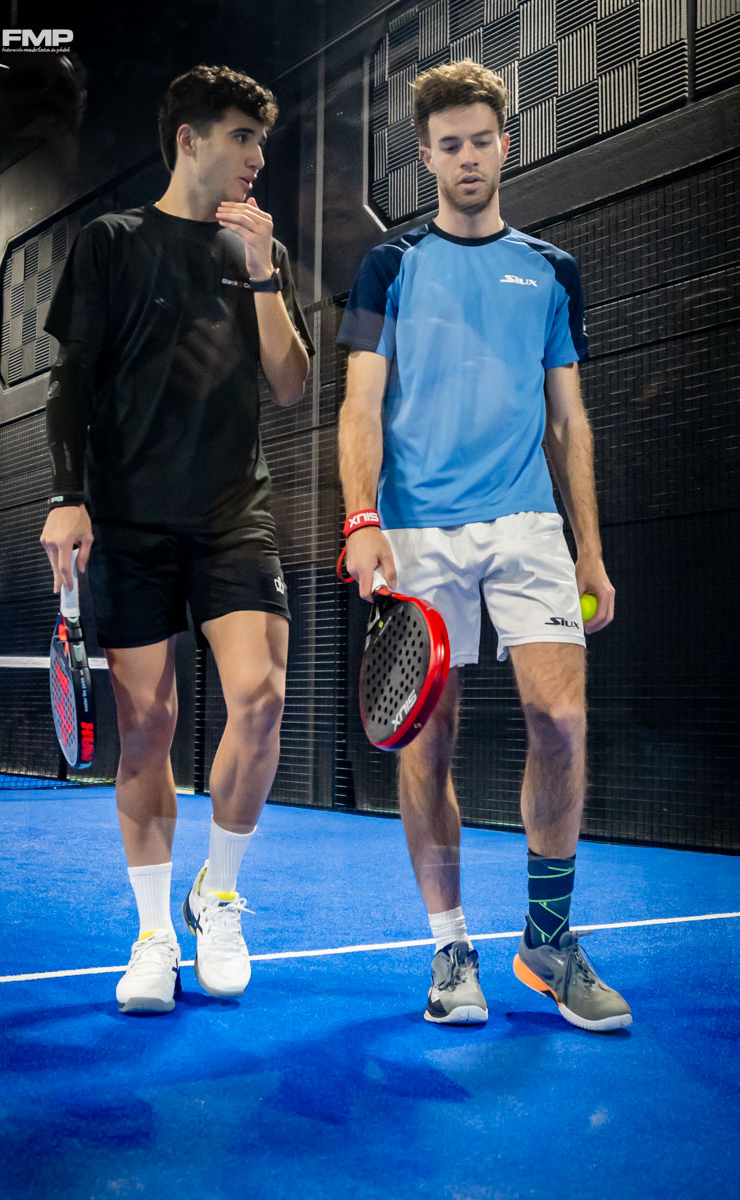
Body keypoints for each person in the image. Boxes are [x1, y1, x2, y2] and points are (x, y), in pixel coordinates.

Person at [337, 60, 631, 1032]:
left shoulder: (552, 271)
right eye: (447, 145)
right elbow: (360, 405)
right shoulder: (387, 267)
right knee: (428, 740)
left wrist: (589, 549)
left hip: (526, 524)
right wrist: (361, 519)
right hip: (417, 528)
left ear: (505, 145)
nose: (466, 157)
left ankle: (546, 941)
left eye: (479, 141)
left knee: (561, 720)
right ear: (426, 157)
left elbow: (569, 421)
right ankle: (450, 945)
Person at [40, 64, 313, 1014]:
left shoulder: (258, 251)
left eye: (261, 139)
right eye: (242, 136)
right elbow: (71, 382)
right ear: (189, 139)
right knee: (149, 727)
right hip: (129, 522)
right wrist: (67, 496)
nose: (258, 155)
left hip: (234, 514)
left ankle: (218, 898)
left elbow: (292, 385)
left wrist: (265, 272)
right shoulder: (111, 242)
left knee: (262, 700)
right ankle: (155, 934)